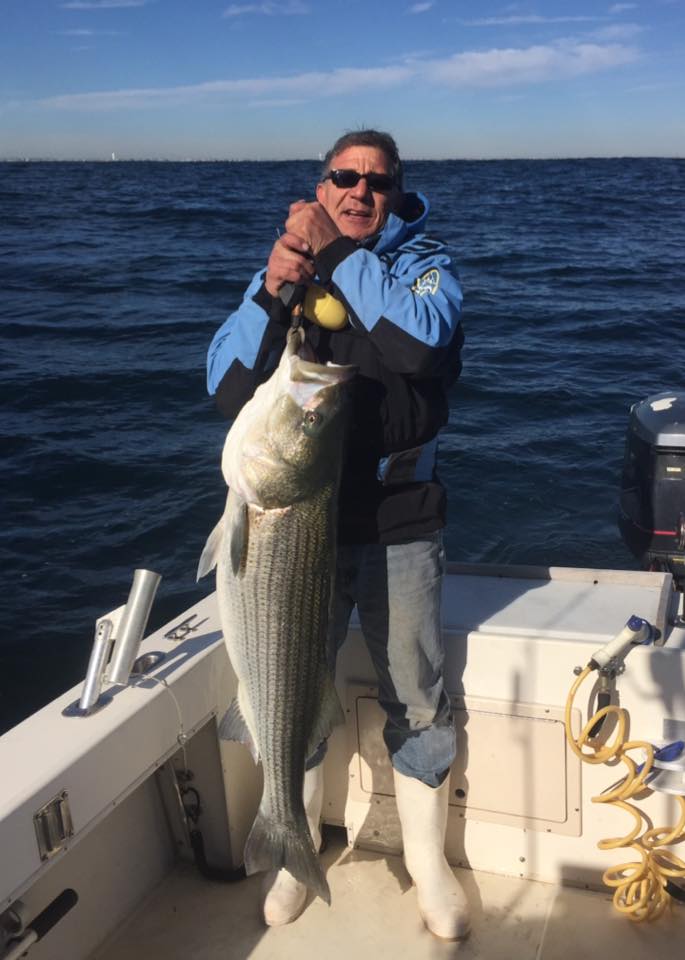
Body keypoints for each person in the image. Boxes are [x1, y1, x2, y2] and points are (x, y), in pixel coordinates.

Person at [206, 129, 468, 940]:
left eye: (375, 182)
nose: (357, 192)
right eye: (341, 178)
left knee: (417, 698)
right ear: (320, 186)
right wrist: (270, 291)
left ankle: (427, 864)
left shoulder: (424, 267)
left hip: (397, 517)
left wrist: (338, 261)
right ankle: (291, 846)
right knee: (288, 687)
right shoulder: (284, 264)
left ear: (396, 192)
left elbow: (421, 347)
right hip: (293, 515)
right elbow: (224, 387)